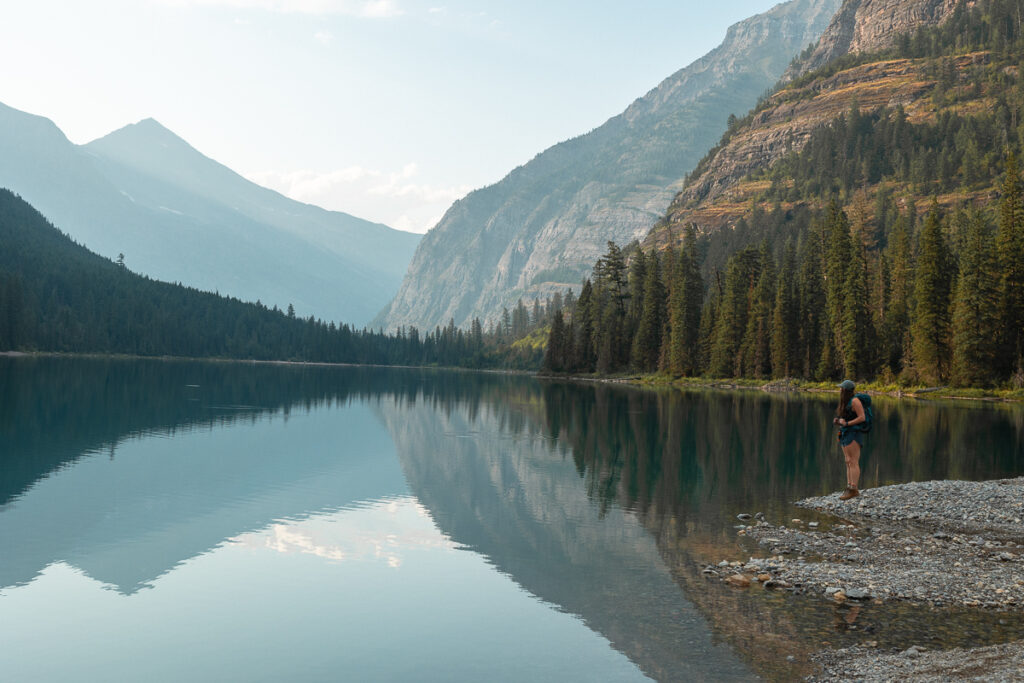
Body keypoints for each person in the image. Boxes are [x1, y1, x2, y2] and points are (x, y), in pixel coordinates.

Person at [833, 379, 866, 500]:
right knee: (847, 460)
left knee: (853, 461)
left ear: (846, 390)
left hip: (854, 433)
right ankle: (848, 486)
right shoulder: (845, 402)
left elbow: (862, 417)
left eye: (841, 388)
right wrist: (839, 421)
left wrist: (847, 423)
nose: (840, 390)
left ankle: (854, 488)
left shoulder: (855, 401)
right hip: (845, 433)